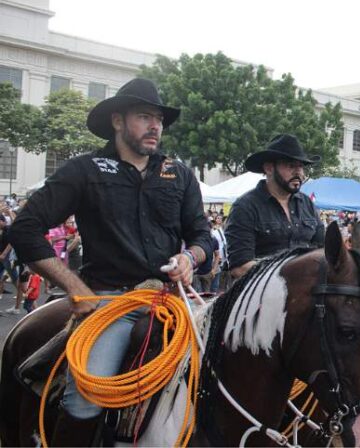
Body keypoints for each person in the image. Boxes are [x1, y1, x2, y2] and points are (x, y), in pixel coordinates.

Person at [7, 78, 211, 444]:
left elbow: (202, 238)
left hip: (172, 303)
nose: (155, 127)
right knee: (85, 400)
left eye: (159, 119)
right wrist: (76, 289)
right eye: (145, 117)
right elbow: (24, 229)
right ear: (118, 121)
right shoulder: (85, 170)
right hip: (110, 304)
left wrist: (189, 257)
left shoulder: (179, 174)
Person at [225, 134, 324, 279]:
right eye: (291, 166)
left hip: (306, 296)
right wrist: (289, 275)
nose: (299, 173)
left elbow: (323, 251)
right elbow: (240, 267)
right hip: (258, 297)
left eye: (301, 167)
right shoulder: (245, 207)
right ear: (269, 168)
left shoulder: (307, 204)